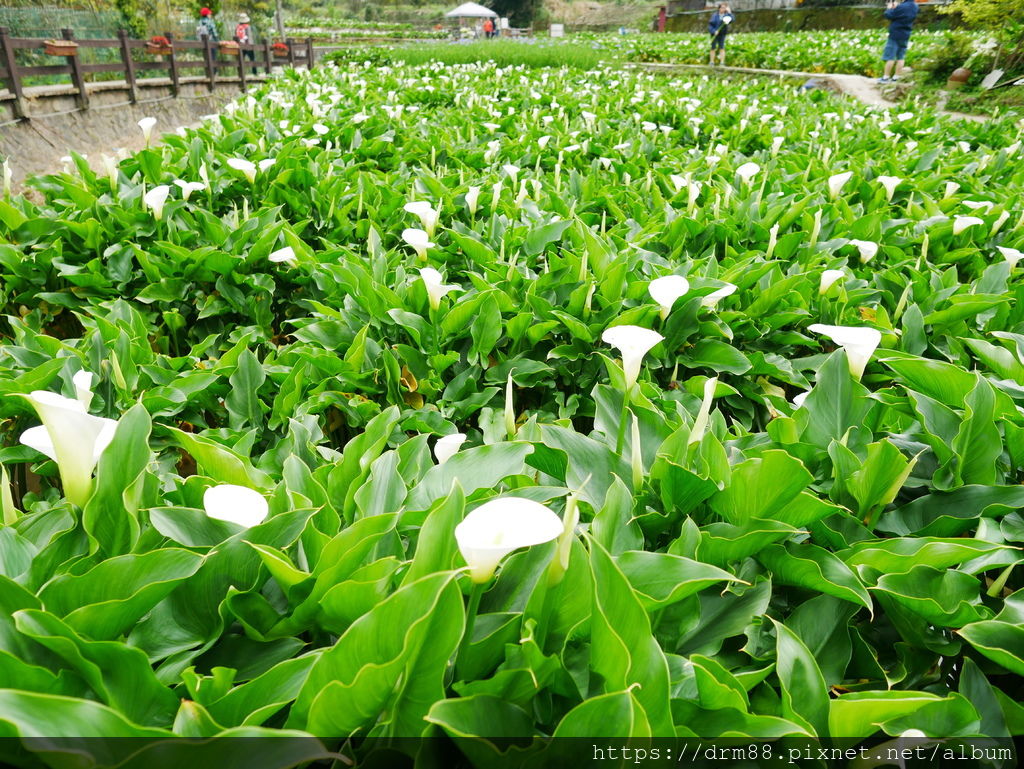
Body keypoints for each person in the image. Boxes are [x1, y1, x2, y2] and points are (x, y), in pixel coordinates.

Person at [879, 0, 919, 83]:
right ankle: (896, 77)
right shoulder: (915, 6)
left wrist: (890, 8)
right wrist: (896, 8)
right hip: (906, 34)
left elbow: (889, 15)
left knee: (890, 56)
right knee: (901, 57)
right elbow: (901, 15)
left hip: (895, 34)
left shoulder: (902, 6)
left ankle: (885, 78)